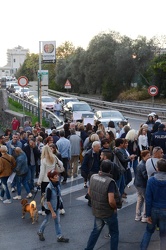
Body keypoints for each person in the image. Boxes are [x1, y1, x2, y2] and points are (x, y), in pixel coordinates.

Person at [84, 160, 119, 250]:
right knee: (114, 233)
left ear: (101, 168)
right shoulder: (110, 182)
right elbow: (111, 200)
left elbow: (89, 192)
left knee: (95, 231)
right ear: (110, 170)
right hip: (108, 212)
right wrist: (115, 208)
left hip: (97, 210)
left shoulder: (93, 177)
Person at [37, 169, 69, 243]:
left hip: (57, 206)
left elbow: (58, 196)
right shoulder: (49, 188)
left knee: (57, 222)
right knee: (46, 221)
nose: (57, 176)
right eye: (55, 176)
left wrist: (60, 205)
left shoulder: (57, 184)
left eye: (57, 175)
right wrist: (52, 212)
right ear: (51, 178)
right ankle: (40, 231)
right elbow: (48, 201)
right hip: (50, 208)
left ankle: (59, 236)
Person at [140, 158, 166, 250]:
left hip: (154, 209)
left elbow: (148, 198)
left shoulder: (151, 180)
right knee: (163, 235)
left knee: (148, 231)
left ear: (157, 168)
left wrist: (147, 214)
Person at [134, 150, 150, 222]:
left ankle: (137, 215)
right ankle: (144, 216)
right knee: (146, 200)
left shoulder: (140, 163)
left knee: (140, 199)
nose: (149, 157)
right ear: (143, 156)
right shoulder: (143, 165)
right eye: (148, 156)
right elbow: (145, 176)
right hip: (142, 185)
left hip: (138, 184)